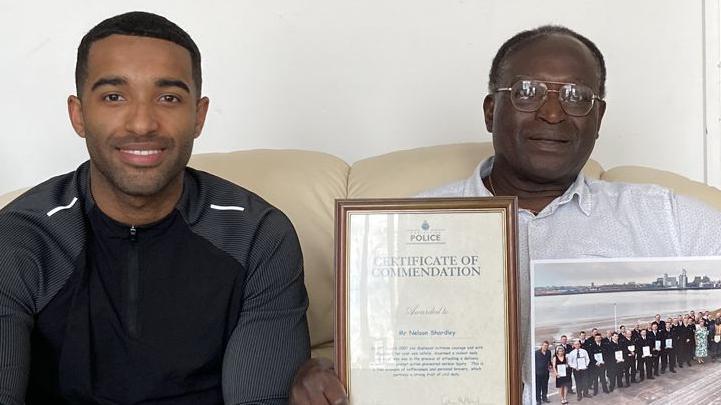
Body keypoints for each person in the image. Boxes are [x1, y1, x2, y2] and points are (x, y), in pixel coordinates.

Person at [292, 24, 721, 404]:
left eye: (576, 98)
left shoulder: (669, 218)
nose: (552, 113)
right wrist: (324, 373)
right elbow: (372, 354)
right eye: (528, 92)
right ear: (490, 111)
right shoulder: (402, 229)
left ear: (599, 118)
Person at [0, 12, 310, 405]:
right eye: (114, 96)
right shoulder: (20, 239)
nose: (143, 123)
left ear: (198, 116)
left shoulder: (257, 237)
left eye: (169, 98)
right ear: (79, 115)